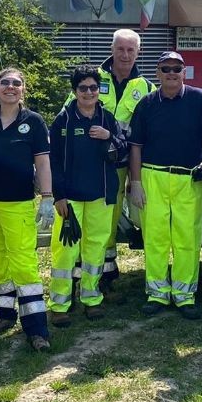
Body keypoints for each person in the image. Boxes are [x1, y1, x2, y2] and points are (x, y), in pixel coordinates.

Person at [53, 29, 154, 292]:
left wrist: (136, 177)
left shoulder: (145, 87)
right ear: (111, 49)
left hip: (120, 168)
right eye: (120, 48)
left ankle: (104, 279)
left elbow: (148, 134)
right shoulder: (93, 78)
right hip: (86, 167)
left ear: (138, 52)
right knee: (81, 227)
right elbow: (67, 114)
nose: (125, 54)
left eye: (131, 50)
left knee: (106, 228)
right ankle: (75, 279)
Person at [126, 52, 202, 319]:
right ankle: (157, 293)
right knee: (155, 238)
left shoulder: (200, 100)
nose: (171, 73)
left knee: (187, 238)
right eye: (166, 69)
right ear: (158, 72)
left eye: (177, 68)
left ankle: (185, 295)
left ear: (184, 71)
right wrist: (136, 182)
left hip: (189, 178)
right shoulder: (147, 104)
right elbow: (135, 147)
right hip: (153, 177)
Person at [0, 68, 54, 351]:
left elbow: (43, 163)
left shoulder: (33, 122)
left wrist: (47, 196)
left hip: (18, 203)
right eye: (4, 83)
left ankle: (36, 328)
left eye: (16, 83)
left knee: (23, 264)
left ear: (23, 90)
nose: (10, 87)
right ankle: (4, 315)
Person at [47, 65, 127, 328]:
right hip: (70, 198)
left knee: (95, 249)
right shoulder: (64, 120)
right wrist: (58, 195)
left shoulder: (107, 118)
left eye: (94, 87)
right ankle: (60, 303)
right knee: (66, 252)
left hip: (101, 195)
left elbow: (124, 149)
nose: (89, 92)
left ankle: (91, 297)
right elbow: (53, 161)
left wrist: (108, 138)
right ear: (75, 91)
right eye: (83, 88)